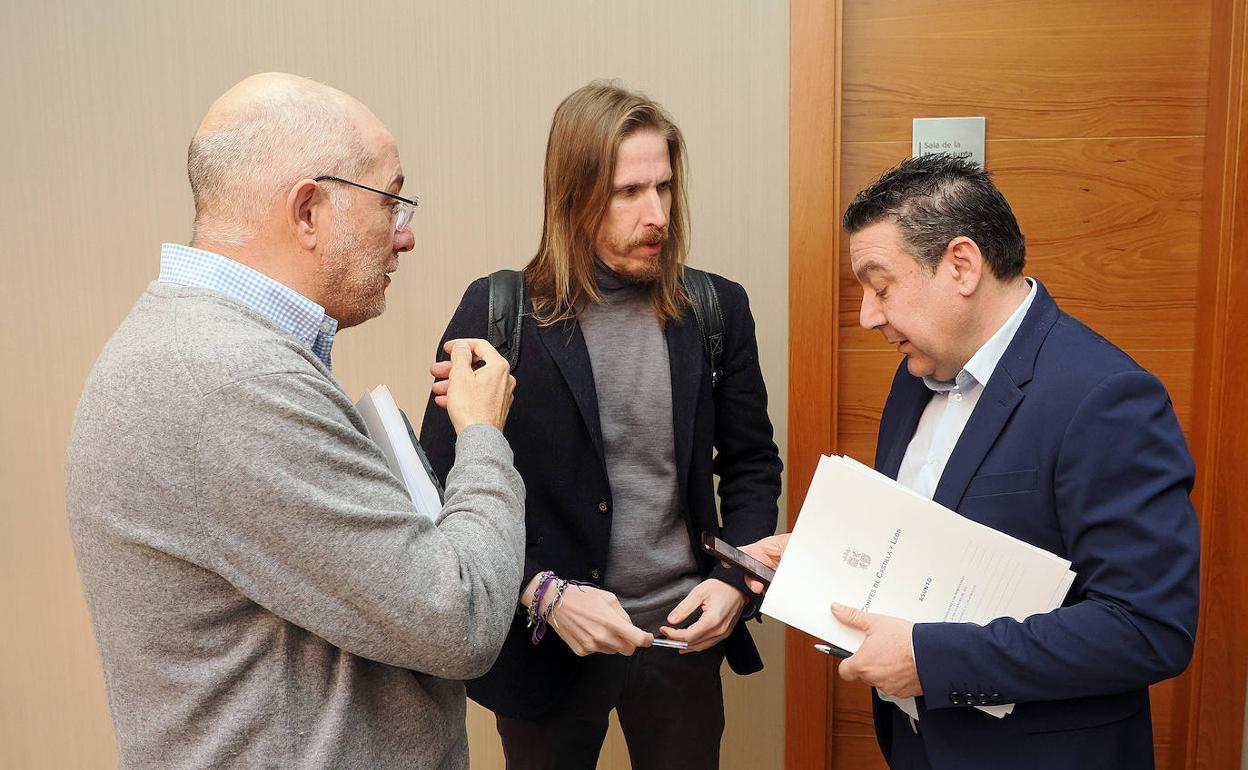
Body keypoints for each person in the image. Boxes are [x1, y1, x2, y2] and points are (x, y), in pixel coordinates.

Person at [65, 73, 525, 770]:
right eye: (391, 201)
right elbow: (460, 621)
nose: (405, 237)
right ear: (308, 211)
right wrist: (484, 436)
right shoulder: (236, 382)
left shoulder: (187, 344)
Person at [742, 154, 1199, 769]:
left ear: (961, 264)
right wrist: (821, 558)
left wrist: (931, 661)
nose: (867, 315)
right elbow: (929, 548)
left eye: (881, 287)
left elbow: (1149, 628)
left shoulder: (1106, 397)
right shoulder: (915, 378)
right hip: (918, 747)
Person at [420, 81, 783, 769]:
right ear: (574, 195)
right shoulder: (500, 313)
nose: (658, 214)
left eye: (665, 187)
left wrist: (735, 581)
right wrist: (543, 595)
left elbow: (751, 465)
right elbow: (439, 484)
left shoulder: (715, 310)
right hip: (545, 644)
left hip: (682, 635)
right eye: (629, 193)